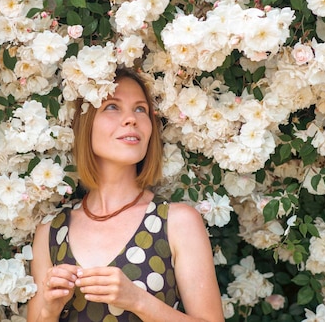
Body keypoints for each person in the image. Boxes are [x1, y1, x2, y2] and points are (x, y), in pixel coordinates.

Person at [27, 68, 224, 322]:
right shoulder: (51, 232)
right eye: (112, 107)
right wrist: (49, 310)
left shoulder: (177, 222)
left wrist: (137, 300)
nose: (131, 119)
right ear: (86, 125)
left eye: (140, 109)